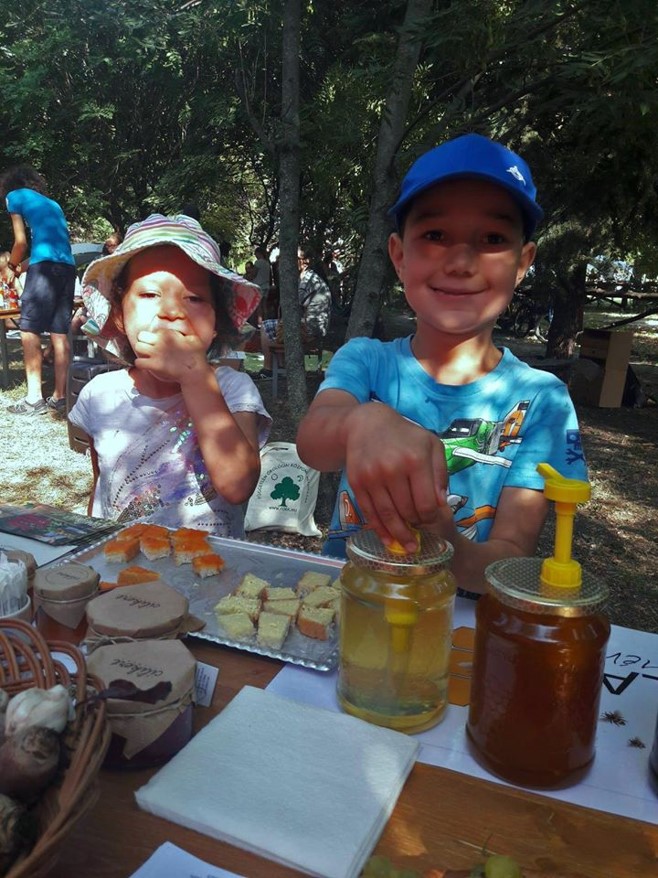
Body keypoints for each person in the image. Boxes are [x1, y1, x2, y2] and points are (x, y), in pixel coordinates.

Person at [296, 133, 588, 594]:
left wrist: (442, 538)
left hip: (456, 623)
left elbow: (510, 559)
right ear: (399, 255)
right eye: (435, 235)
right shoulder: (365, 360)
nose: (461, 262)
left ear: (522, 262)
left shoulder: (542, 400)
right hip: (350, 609)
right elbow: (313, 444)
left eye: (493, 239)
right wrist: (362, 421)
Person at [68, 213, 271, 537]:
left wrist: (195, 377)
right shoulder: (100, 395)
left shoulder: (233, 389)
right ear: (118, 314)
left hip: (209, 565)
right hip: (123, 562)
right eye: (150, 295)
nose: (171, 311)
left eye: (194, 298)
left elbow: (238, 486)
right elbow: (102, 485)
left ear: (216, 323)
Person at [0, 165, 77, 416]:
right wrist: (18, 268)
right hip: (66, 268)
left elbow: (20, 243)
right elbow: (45, 251)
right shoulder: (53, 205)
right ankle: (60, 396)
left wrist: (10, 266)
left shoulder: (14, 197)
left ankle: (34, 399)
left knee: (29, 328)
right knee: (59, 332)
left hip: (45, 269)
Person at [255, 249, 331, 379]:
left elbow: (293, 307)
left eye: (294, 259)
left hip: (310, 328)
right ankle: (281, 366)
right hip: (317, 325)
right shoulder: (310, 278)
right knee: (279, 326)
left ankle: (268, 368)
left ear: (304, 262)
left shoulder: (306, 281)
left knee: (266, 326)